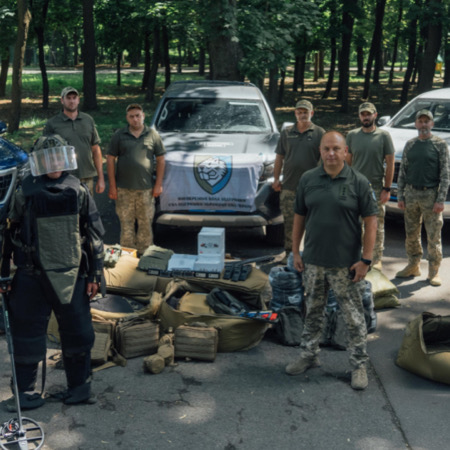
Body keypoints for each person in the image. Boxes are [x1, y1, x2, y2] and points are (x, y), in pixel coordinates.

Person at [0, 135, 105, 410]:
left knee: (78, 333)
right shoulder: (25, 192)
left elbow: (93, 236)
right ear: (39, 163)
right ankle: (23, 394)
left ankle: (80, 389)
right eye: (48, 160)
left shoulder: (79, 191)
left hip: (72, 276)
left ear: (66, 159)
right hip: (30, 276)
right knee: (26, 335)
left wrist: (95, 276)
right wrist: (3, 276)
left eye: (58, 158)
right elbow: (8, 234)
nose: (54, 164)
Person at [285, 131, 378, 390]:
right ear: (321, 151)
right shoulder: (308, 179)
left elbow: (371, 222)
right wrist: (295, 252)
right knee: (313, 311)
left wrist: (366, 260)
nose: (331, 153)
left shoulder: (359, 182)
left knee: (354, 317)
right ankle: (308, 355)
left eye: (336, 148)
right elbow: (299, 217)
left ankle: (358, 365)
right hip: (313, 261)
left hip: (345, 265)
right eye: (327, 148)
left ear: (346, 151)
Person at [395, 109, 450, 286]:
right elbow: (403, 171)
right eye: (421, 121)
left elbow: (445, 174)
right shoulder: (410, 144)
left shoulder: (440, 145)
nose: (424, 124)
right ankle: (413, 265)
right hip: (411, 194)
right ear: (416, 124)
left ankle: (433, 271)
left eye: (427, 121)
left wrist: (440, 199)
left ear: (432, 124)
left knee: (433, 236)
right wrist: (401, 195)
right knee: (411, 233)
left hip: (430, 195)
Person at [107, 103, 166, 255]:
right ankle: (127, 257)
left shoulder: (152, 135)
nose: (135, 119)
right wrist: (112, 186)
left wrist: (158, 184)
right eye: (131, 116)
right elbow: (110, 159)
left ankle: (145, 256)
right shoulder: (119, 135)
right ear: (127, 118)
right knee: (126, 225)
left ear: (143, 116)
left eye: (138, 116)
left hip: (146, 189)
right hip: (123, 189)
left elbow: (160, 160)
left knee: (145, 224)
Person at [346, 102, 395, 271]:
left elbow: (390, 163)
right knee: (353, 225)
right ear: (359, 116)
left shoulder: (383, 136)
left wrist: (387, 188)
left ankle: (376, 258)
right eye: (362, 114)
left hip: (375, 188)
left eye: (369, 114)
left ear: (375, 115)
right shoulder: (352, 135)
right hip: (355, 188)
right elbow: (348, 161)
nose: (365, 117)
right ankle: (356, 256)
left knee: (376, 225)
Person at [272, 100, 324, 257]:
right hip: (289, 185)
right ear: (295, 114)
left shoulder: (320, 133)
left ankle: (310, 255)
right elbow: (279, 157)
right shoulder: (287, 132)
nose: (303, 115)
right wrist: (276, 178)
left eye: (306, 112)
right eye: (299, 112)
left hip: (312, 188)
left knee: (313, 223)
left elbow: (324, 160)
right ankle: (290, 254)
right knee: (290, 223)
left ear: (312, 113)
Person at [44, 86, 105, 195]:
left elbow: (95, 149)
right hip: (63, 178)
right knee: (67, 210)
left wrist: (101, 178)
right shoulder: (52, 124)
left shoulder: (88, 120)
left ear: (78, 100)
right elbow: (46, 154)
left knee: (87, 210)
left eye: (74, 98)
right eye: (68, 98)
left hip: (87, 177)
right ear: (62, 100)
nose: (72, 101)